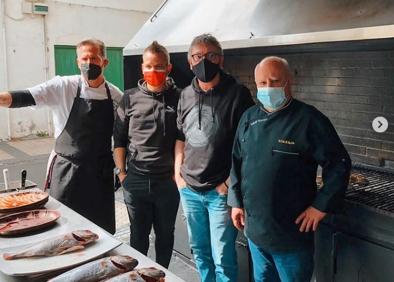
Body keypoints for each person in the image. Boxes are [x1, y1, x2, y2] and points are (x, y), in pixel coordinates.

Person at [228, 56, 351, 282]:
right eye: (262, 83)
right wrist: (236, 202)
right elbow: (236, 161)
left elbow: (339, 165)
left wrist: (320, 207)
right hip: (255, 231)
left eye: (274, 81)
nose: (268, 88)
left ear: (288, 82)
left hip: (292, 235)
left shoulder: (310, 119)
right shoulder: (248, 117)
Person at [0, 39, 123, 234]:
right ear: (77, 62)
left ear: (105, 62)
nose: (89, 63)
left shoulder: (116, 96)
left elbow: (123, 137)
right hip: (67, 171)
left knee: (100, 231)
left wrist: (122, 170)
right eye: (84, 58)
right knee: (62, 228)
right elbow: (25, 96)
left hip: (100, 172)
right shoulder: (63, 86)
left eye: (94, 58)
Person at [174, 33, 254, 282]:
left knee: (222, 255)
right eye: (198, 56)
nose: (204, 61)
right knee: (199, 251)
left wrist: (228, 183)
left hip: (220, 191)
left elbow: (248, 144)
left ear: (221, 59)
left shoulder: (238, 94)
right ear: (190, 61)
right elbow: (180, 137)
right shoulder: (185, 94)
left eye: (211, 55)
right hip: (189, 188)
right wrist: (177, 174)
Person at [113, 41, 180, 268]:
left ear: (168, 68)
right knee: (137, 237)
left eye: (159, 67)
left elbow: (186, 140)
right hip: (136, 182)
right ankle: (138, 274)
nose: (154, 71)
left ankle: (162, 274)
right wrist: (122, 174)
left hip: (167, 183)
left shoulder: (179, 98)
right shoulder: (129, 98)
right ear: (142, 68)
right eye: (149, 66)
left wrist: (178, 176)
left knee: (165, 236)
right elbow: (119, 140)